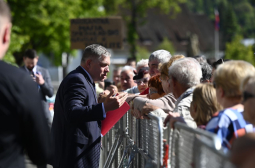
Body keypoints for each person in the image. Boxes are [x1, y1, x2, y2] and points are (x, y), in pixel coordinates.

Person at [51, 44, 128, 168]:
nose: (108, 69)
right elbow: (73, 112)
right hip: (74, 155)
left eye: (108, 65)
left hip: (80, 154)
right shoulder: (77, 80)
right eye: (104, 65)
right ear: (89, 63)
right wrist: (105, 107)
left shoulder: (85, 79)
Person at [0, 1, 51, 167]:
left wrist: (42, 84)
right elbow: (42, 153)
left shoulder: (40, 74)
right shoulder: (19, 81)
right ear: (7, 33)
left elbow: (50, 92)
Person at [205, 60, 255, 149]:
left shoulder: (222, 119)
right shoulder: (251, 115)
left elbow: (206, 157)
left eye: (214, 85)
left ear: (221, 90)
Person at [20, 49, 54, 125]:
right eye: (28, 63)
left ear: (37, 59)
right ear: (24, 59)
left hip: (43, 115)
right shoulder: (18, 72)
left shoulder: (44, 72)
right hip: (25, 115)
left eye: (33, 63)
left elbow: (51, 93)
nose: (31, 65)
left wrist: (42, 83)